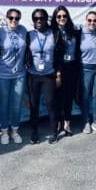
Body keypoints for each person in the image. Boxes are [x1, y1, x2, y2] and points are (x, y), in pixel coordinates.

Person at [26, 8, 64, 144]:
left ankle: (54, 132)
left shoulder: (55, 34)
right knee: (34, 105)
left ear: (46, 19)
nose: (39, 21)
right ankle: (34, 132)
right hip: (33, 75)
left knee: (51, 104)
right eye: (36, 19)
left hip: (49, 75)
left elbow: (59, 56)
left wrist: (58, 73)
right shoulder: (29, 34)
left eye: (41, 18)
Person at [0, 8, 27, 144]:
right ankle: (4, 132)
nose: (14, 20)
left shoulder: (23, 30)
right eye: (11, 17)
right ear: (6, 18)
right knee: (4, 104)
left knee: (16, 105)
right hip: (2, 74)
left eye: (17, 18)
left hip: (19, 74)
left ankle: (15, 131)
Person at [50, 6, 81, 136]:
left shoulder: (74, 31)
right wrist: (57, 72)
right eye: (59, 16)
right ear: (55, 18)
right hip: (58, 69)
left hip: (72, 68)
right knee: (57, 98)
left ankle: (67, 123)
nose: (62, 18)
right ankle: (58, 124)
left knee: (68, 97)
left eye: (64, 16)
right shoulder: (52, 32)